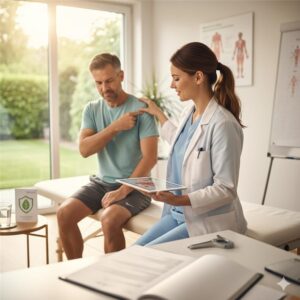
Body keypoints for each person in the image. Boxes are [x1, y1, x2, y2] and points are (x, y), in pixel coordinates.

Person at [135, 42, 247, 246]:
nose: (171, 85)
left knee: (146, 256)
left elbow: (225, 188)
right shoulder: (190, 113)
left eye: (176, 78)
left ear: (198, 77)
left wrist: (177, 200)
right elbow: (182, 144)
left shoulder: (223, 124)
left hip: (207, 221)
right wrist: (157, 113)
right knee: (133, 252)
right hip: (178, 213)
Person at [57, 53, 159, 258]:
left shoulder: (142, 110)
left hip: (137, 186)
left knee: (109, 219)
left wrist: (122, 191)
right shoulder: (92, 109)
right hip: (101, 183)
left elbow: (150, 158)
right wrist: (115, 127)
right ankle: (74, 269)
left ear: (121, 76)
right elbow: (84, 150)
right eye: (99, 83)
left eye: (109, 81)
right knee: (64, 213)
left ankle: (113, 281)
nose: (105, 88)